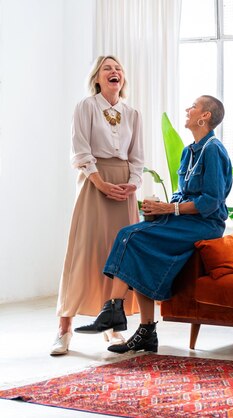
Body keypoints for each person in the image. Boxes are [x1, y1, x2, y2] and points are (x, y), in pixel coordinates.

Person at [73, 95, 233, 354]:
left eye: (193, 106)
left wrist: (169, 209)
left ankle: (113, 309)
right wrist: (159, 210)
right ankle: (145, 331)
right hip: (184, 219)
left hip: (205, 225)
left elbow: (211, 202)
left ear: (204, 117)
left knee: (130, 235)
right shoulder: (188, 151)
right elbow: (183, 195)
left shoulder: (213, 149)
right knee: (135, 246)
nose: (187, 108)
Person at [51, 55, 144, 356]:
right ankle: (64, 328)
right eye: (107, 68)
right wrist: (102, 184)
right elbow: (80, 151)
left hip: (124, 187)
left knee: (118, 256)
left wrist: (133, 183)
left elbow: (138, 157)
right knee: (83, 251)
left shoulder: (133, 114)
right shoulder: (86, 107)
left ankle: (113, 325)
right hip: (94, 182)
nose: (114, 71)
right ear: (97, 78)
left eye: (118, 69)